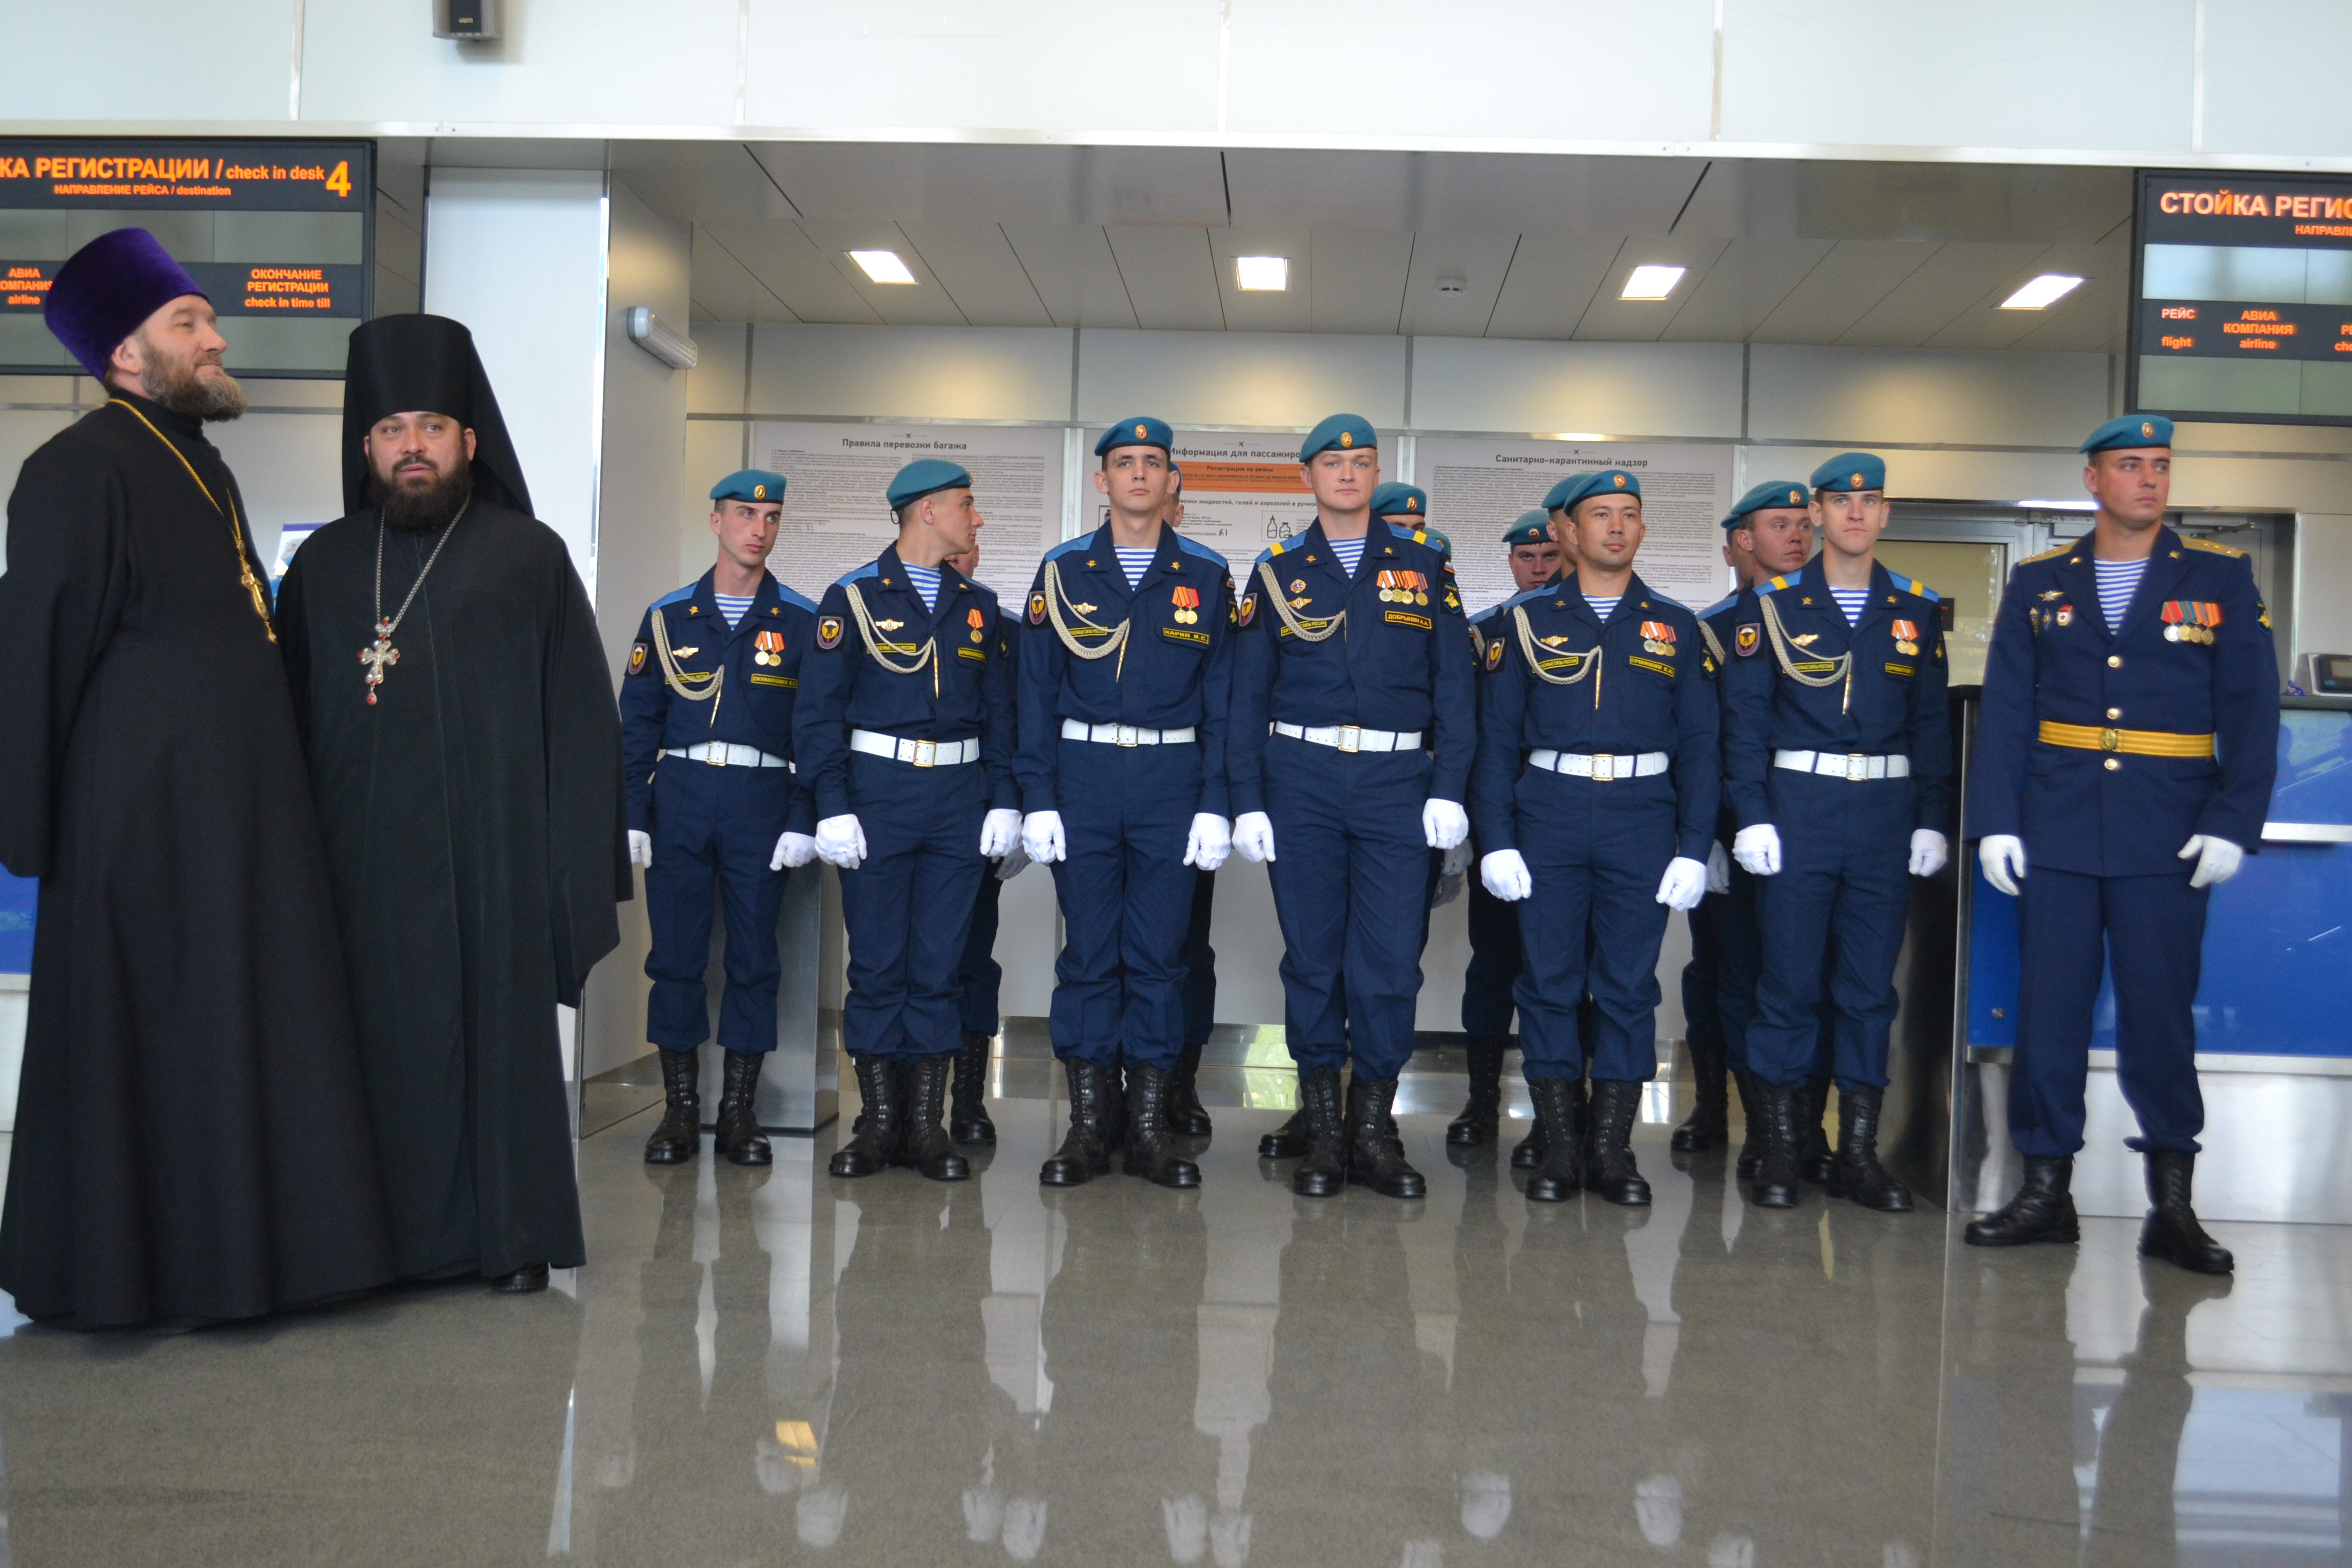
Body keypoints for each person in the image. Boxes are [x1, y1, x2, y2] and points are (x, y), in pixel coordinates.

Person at [0, 228, 392, 1328]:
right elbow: (38, 653)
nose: (218, 338)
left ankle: (239, 1267)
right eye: (189, 323)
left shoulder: (201, 461)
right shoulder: (73, 470)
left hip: (231, 828)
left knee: (230, 1039)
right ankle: (131, 1279)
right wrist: (34, 829)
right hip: (140, 835)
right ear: (125, 357)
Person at [277, 312, 628, 1295]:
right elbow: (284, 731)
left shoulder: (529, 556)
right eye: (393, 431)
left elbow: (582, 728)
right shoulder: (323, 568)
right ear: (367, 448)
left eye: (432, 426)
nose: (413, 448)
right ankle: (362, 1241)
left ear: (469, 439)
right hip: (355, 874)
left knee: (495, 1053)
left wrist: (566, 868)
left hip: (493, 865)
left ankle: (506, 1239)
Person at [1962, 415, 2277, 1275]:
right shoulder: (2039, 582)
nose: (2148, 479)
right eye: (2129, 465)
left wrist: (2229, 820)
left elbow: (2252, 710)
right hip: (2058, 826)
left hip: (2167, 834)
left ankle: (2170, 1206)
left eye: (2159, 466)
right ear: (2091, 479)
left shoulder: (2217, 575)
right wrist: (1995, 818)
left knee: (2158, 1017)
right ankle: (2043, 1189)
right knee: (2047, 1014)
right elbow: (2009, 710)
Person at [1230, 413, 1475, 1199]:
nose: (1347, 473)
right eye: (1332, 462)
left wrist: (1450, 787)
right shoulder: (1275, 572)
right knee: (1312, 957)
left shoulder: (1424, 567)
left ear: (1375, 475)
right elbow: (1246, 693)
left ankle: (1373, 1130)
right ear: (1307, 477)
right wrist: (1247, 797)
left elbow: (1454, 687)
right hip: (1298, 778)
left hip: (1396, 784)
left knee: (1388, 963)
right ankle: (1324, 1134)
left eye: (1361, 462)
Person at [1473, 470, 1716, 1205]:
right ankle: (1558, 1146)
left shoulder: (1677, 627)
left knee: (1625, 989)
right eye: (1600, 515)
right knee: (1546, 983)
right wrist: (1497, 839)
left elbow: (1705, 746)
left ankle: (1611, 1152)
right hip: (1548, 810)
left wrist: (1694, 846)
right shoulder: (1525, 623)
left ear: (1642, 530)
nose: (1616, 526)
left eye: (1630, 514)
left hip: (1643, 816)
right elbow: (1494, 741)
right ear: (1569, 533)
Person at [1722, 453, 1950, 1213]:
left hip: (1884, 818)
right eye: (1841, 502)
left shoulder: (1915, 610)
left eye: (1871, 502)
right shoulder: (1777, 605)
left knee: (1866, 993)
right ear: (1816, 514)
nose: (1857, 514)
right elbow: (1746, 721)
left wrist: (1931, 817)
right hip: (1800, 810)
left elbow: (1930, 726)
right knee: (1785, 985)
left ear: (1886, 516)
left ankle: (1857, 1154)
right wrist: (1751, 814)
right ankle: (1782, 1147)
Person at [1019, 418, 1235, 1189]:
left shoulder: (1208, 575)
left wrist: (1218, 803)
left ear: (1171, 481)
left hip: (1172, 786)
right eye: (1124, 463)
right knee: (1088, 958)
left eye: (1153, 463)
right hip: (1081, 780)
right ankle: (1088, 1125)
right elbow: (1035, 691)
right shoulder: (1064, 568)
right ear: (1101, 481)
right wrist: (1036, 797)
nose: (1139, 474)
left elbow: (1225, 699)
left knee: (1157, 961)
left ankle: (1146, 1128)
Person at [797, 459, 1021, 1183]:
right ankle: (879, 1123)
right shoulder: (854, 598)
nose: (976, 517)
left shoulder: (979, 606)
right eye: (967, 503)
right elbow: (819, 713)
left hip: (957, 798)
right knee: (878, 965)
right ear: (926, 511)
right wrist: (831, 804)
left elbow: (1001, 718)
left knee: (937, 966)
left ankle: (926, 1128)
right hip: (879, 795)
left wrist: (1005, 799)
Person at [621, 470, 820, 1170]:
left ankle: (739, 1112)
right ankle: (678, 1111)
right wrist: (632, 812)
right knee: (674, 958)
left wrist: (804, 815)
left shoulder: (802, 619)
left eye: (770, 516)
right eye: (744, 514)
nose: (758, 528)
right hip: (681, 793)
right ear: (715, 521)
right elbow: (636, 723)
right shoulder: (670, 615)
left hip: (762, 802)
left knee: (753, 960)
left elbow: (814, 731)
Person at [1681, 482, 1815, 1169]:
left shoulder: (1824, 616)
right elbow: (1700, 742)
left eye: (1802, 524)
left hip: (1807, 825)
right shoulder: (1710, 630)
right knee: (1727, 973)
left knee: (1799, 977)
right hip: (1732, 828)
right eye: (1778, 524)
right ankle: (1725, 1107)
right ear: (1740, 541)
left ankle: (1798, 1124)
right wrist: (1701, 833)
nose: (1797, 535)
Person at [1447, 509, 1561, 1148]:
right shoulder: (1486, 632)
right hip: (1500, 824)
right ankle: (1482, 1101)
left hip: (1569, 820)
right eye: (1527, 558)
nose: (1540, 568)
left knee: (1569, 971)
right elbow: (1465, 735)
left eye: (1549, 556)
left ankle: (1561, 1112)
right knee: (1493, 967)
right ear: (1511, 563)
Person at [946, 537, 1021, 1146]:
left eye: (969, 550)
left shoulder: (1006, 632)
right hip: (911, 817)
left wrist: (1014, 813)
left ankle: (968, 1099)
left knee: (972, 963)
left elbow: (1019, 727)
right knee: (905, 963)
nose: (957, 559)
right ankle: (897, 1102)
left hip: (980, 826)